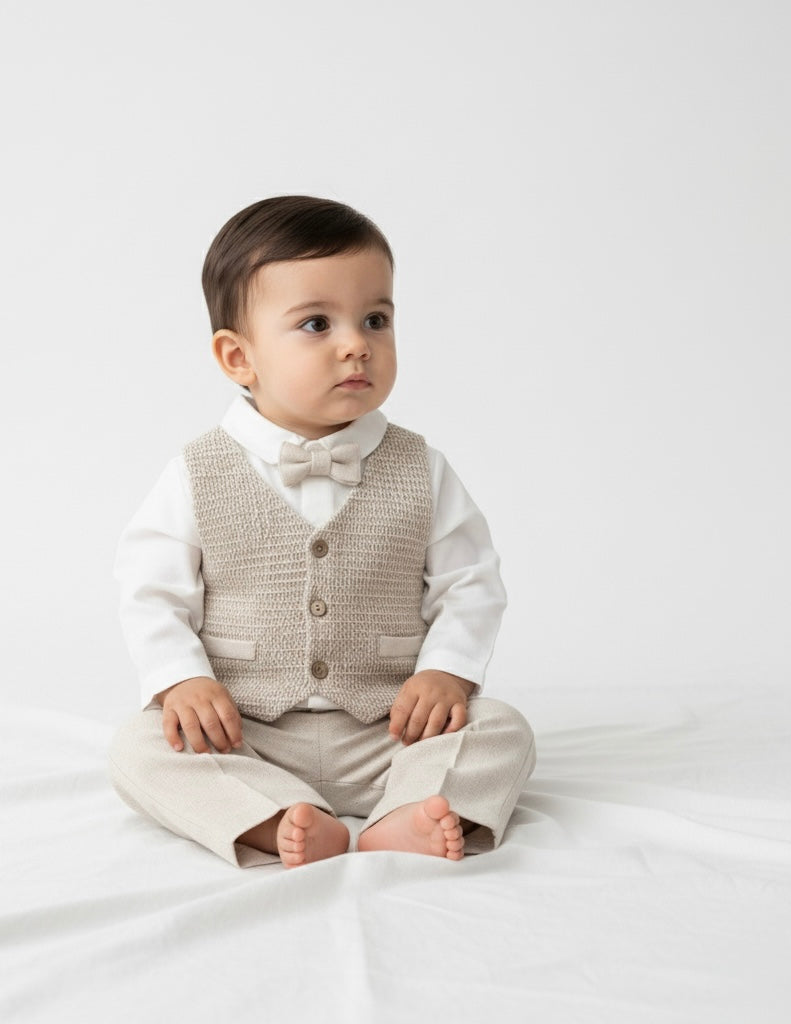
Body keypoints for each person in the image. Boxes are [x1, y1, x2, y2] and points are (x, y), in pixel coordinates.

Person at [108, 196, 535, 868]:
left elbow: (471, 581)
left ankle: (408, 810)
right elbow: (149, 589)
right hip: (248, 733)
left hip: (388, 730)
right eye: (316, 323)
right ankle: (271, 814)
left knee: (502, 731)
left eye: (376, 319)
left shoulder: (421, 467)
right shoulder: (199, 471)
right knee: (139, 747)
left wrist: (447, 672)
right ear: (237, 357)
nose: (356, 343)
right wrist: (180, 681)